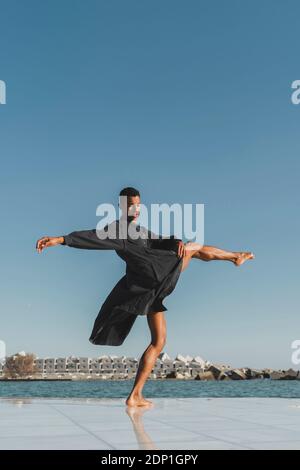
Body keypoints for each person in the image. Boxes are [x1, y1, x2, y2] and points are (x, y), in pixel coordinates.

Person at [36, 187, 254, 407]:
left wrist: (174, 242)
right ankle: (235, 257)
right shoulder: (118, 230)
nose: (136, 208)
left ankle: (135, 396)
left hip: (148, 288)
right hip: (154, 274)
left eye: (139, 204)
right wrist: (61, 239)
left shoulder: (137, 230)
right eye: (132, 204)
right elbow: (92, 237)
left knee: (159, 341)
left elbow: (157, 241)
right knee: (193, 248)